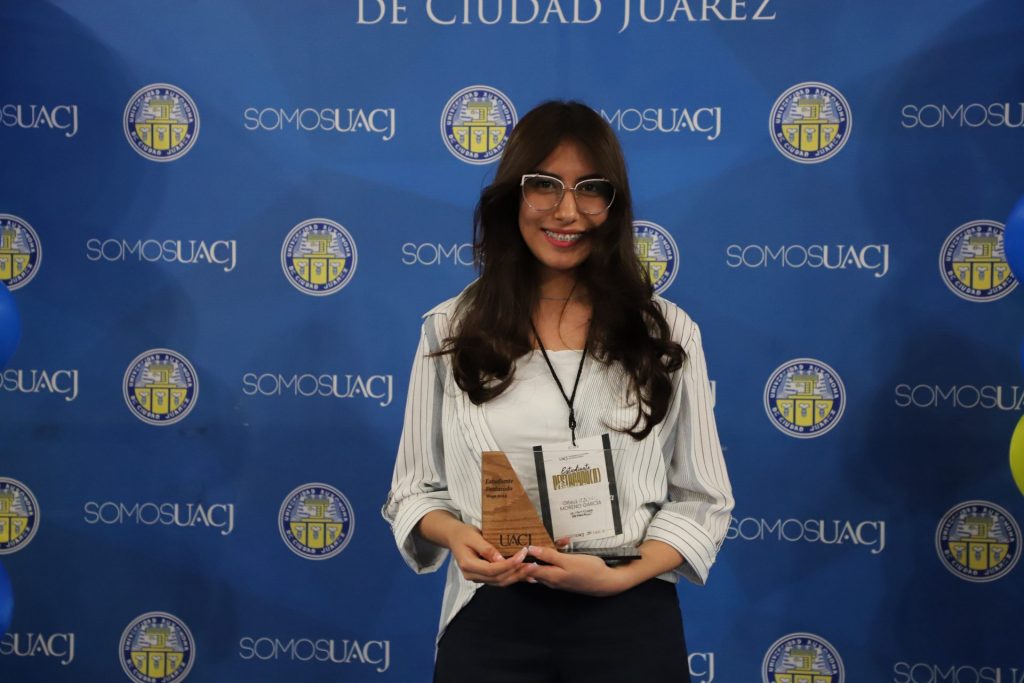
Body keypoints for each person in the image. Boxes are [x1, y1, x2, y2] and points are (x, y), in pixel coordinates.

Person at [383, 100, 733, 683]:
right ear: (512, 197)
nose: (567, 211)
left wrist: (620, 576)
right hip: (491, 618)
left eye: (590, 189)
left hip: (628, 618)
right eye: (544, 185)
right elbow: (413, 490)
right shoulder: (450, 329)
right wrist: (459, 537)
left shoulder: (665, 332)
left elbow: (703, 498)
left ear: (613, 206)